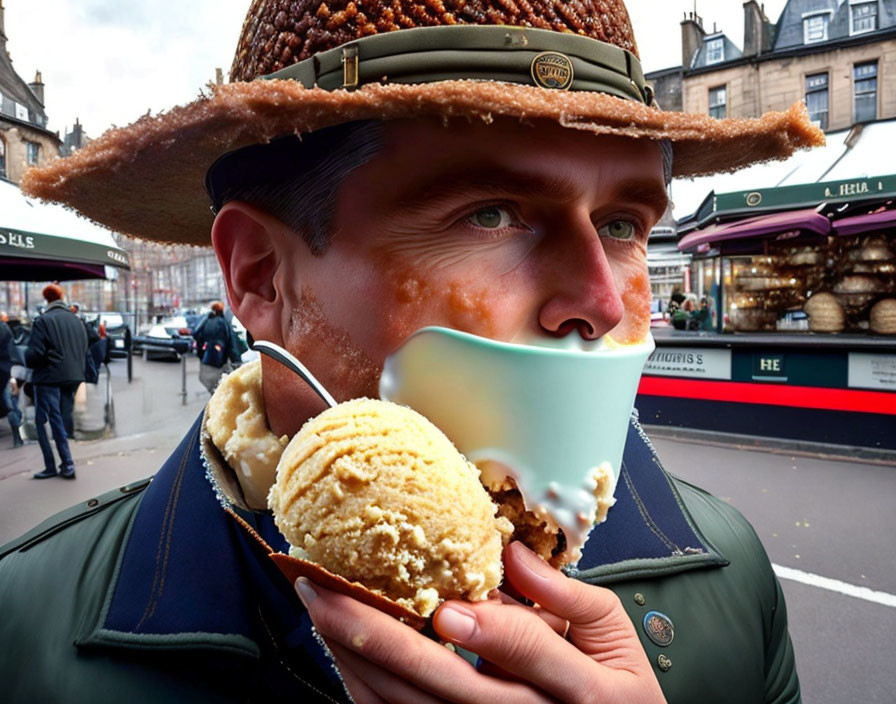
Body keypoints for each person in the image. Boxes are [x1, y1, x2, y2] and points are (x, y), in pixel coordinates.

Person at [3, 1, 824, 701]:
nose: (603, 304)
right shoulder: (26, 632)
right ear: (260, 277)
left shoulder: (727, 573)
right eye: (492, 215)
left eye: (622, 227)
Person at [23, 283, 88, 479]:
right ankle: (66, 462)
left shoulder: (43, 321)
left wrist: (26, 353)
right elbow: (85, 345)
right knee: (62, 416)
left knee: (45, 421)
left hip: (49, 377)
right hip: (73, 375)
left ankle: (60, 465)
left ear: (46, 299)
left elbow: (35, 354)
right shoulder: (76, 320)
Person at [192, 301, 237, 393]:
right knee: (219, 377)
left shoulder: (206, 320)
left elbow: (196, 333)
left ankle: (213, 391)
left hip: (207, 354)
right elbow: (229, 340)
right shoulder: (223, 321)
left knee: (208, 377)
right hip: (220, 355)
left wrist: (202, 345)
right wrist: (235, 357)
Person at [0, 316, 24, 446]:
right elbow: (11, 349)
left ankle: (17, 437)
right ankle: (17, 437)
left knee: (8, 403)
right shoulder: (3, 328)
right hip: (5, 369)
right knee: (10, 404)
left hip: (4, 370)